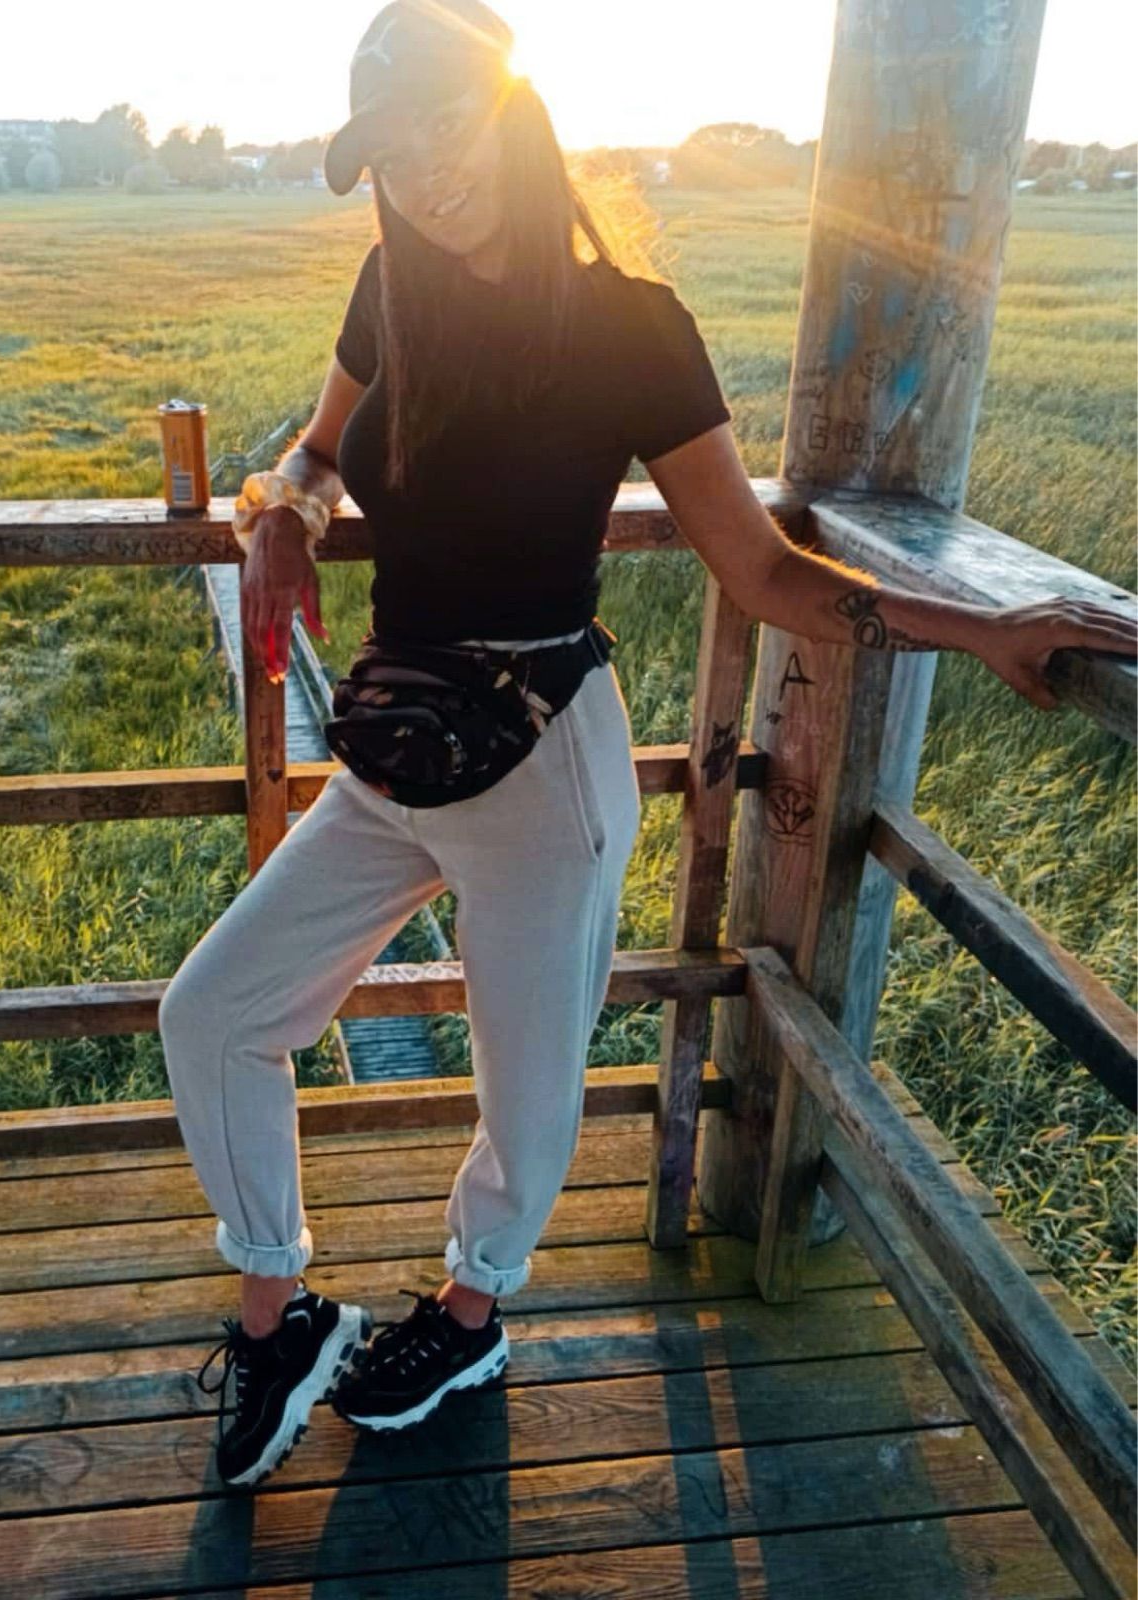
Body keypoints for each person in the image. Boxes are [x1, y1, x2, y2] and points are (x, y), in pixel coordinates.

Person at [162, 0, 1138, 1492]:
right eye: (390, 152)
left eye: (442, 127)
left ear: (514, 115)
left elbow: (765, 571)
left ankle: (471, 1313)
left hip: (542, 761)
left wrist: (981, 625)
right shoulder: (389, 288)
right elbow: (317, 442)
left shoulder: (630, 329)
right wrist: (285, 512)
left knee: (525, 1090)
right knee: (216, 1009)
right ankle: (275, 1312)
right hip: (395, 741)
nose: (422, 172)